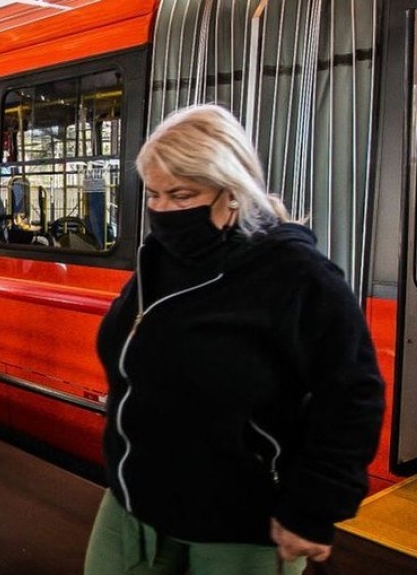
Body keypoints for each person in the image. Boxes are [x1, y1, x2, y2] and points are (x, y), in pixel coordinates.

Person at [84, 104, 385, 575]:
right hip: (135, 499)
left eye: (181, 196)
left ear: (233, 190)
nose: (162, 212)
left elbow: (352, 395)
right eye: (153, 196)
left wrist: (313, 508)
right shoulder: (156, 261)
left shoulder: (295, 275)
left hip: (240, 519)